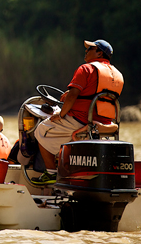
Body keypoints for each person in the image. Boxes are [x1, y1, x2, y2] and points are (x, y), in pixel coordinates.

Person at [32, 39, 124, 185]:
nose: (86, 51)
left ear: (99, 53)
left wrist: (61, 114)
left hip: (80, 121)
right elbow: (92, 95)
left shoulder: (86, 69)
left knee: (41, 129)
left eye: (90, 49)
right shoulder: (118, 75)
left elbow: (73, 95)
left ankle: (51, 173)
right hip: (104, 124)